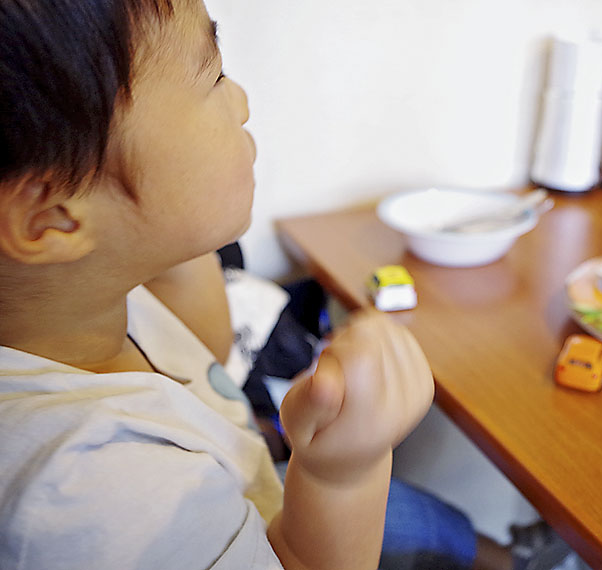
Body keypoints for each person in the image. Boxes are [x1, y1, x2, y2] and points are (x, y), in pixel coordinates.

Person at [0, 1, 521, 568]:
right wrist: (344, 475)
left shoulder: (73, 302)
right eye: (213, 74)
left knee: (428, 521)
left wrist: (176, 240)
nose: (242, 102)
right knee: (415, 524)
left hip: (250, 485)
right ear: (51, 217)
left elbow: (203, 360)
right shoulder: (99, 490)